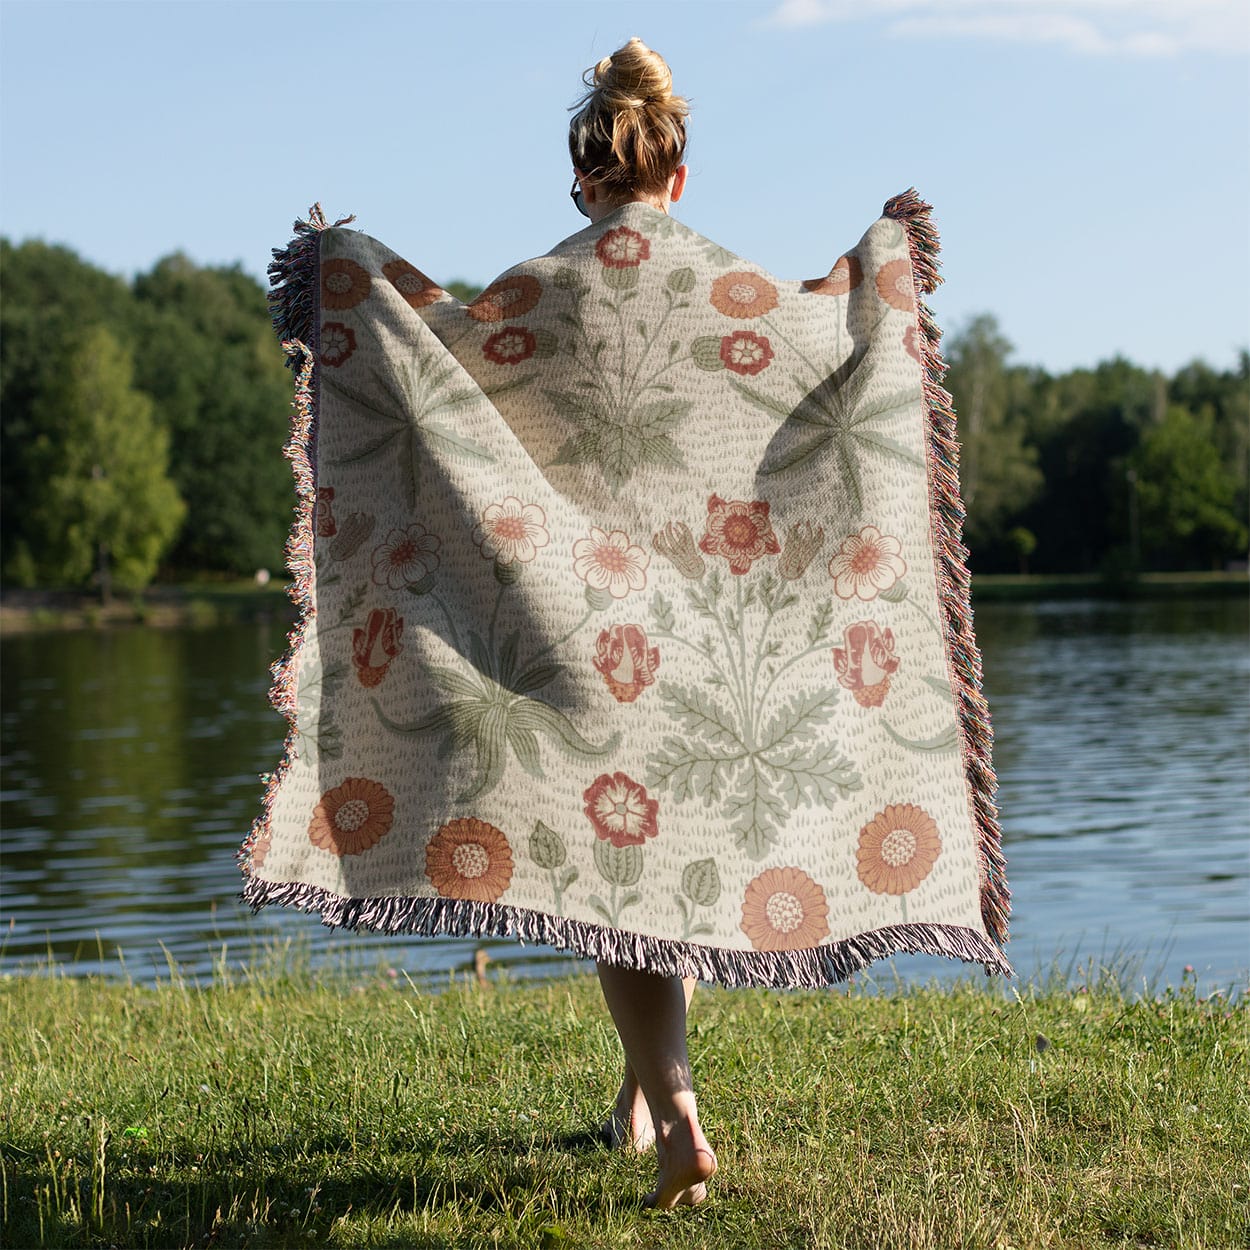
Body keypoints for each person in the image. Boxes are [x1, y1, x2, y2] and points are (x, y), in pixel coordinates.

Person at [567, 37, 717, 1212]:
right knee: (654, 867)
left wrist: (359, 283)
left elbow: (447, 378)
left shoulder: (543, 288)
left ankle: (675, 1115)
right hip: (708, 620)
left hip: (582, 622)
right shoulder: (728, 289)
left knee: (615, 877)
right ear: (677, 175)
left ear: (584, 180)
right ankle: (632, 1101)